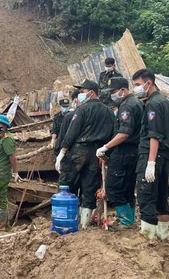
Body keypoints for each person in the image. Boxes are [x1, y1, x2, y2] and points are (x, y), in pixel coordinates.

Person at [56, 80, 114, 229]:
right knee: (89, 188)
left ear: (92, 92)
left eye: (82, 92)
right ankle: (85, 224)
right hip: (97, 153)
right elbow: (112, 133)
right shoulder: (108, 112)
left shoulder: (82, 110)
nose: (80, 95)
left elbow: (72, 132)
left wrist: (62, 151)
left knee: (66, 185)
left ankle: (66, 219)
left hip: (79, 151)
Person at [133, 69, 169, 242]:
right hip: (165, 156)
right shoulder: (164, 102)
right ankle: (163, 235)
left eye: (137, 85)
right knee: (160, 197)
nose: (135, 88)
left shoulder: (153, 104)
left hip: (152, 155)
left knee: (146, 195)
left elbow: (154, 135)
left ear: (148, 83)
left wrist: (150, 162)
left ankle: (147, 237)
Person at [96, 77, 144, 228]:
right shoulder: (138, 103)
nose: (112, 95)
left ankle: (126, 221)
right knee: (128, 188)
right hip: (135, 151)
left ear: (123, 90)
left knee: (114, 188)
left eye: (114, 92)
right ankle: (129, 220)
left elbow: (124, 133)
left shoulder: (127, 106)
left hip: (124, 152)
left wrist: (106, 147)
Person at [0, 114, 22, 228]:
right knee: (0, 198)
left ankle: (0, 226)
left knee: (0, 199)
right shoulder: (0, 137)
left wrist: (16, 172)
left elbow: (12, 157)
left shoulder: (7, 139)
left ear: (4, 126)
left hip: (1, 173)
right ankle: (5, 224)